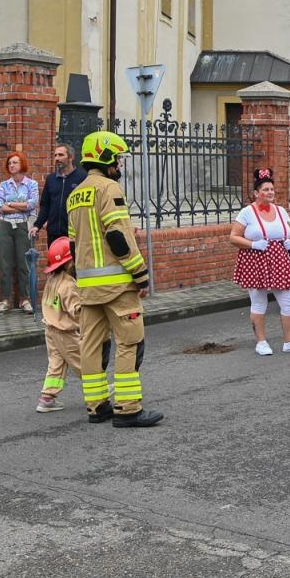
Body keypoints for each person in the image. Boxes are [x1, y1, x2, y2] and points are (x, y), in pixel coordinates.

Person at [68, 129, 162, 428]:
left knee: (92, 346)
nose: (119, 165)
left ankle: (97, 407)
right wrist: (141, 274)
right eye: (117, 159)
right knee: (129, 343)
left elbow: (73, 243)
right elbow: (117, 236)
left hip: (87, 286)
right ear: (105, 157)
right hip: (117, 284)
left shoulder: (75, 194)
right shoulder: (108, 188)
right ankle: (128, 408)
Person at [230, 168, 290, 356]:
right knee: (259, 302)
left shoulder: (281, 211)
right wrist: (253, 244)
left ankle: (289, 341)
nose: (270, 193)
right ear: (256, 193)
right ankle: (261, 342)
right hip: (255, 259)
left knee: (289, 300)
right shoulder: (247, 212)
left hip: (279, 259)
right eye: (266, 190)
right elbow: (233, 237)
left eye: (272, 189)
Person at [35, 236, 84, 412]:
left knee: (56, 364)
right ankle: (99, 391)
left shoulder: (52, 280)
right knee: (84, 362)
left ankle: (46, 398)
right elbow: (77, 310)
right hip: (66, 333)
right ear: (70, 261)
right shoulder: (68, 284)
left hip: (50, 329)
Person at [0, 151, 40, 314]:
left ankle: (25, 299)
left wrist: (10, 203)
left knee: (24, 264)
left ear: (22, 164)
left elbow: (32, 204)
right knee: (5, 264)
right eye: (9, 163)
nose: (11, 165)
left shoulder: (31, 184)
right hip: (5, 226)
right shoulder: (3, 185)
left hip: (22, 226)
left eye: (15, 162)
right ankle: (5, 300)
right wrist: (20, 204)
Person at [33, 143, 85, 242]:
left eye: (61, 155)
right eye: (55, 155)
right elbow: (45, 205)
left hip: (74, 234)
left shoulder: (82, 178)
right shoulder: (51, 179)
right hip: (53, 233)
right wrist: (37, 225)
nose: (57, 158)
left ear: (71, 157)